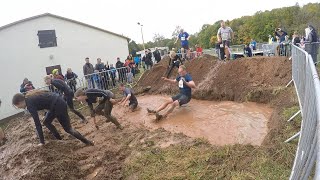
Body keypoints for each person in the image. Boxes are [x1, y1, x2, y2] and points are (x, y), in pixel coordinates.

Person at [12, 90, 94, 146]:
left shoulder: (29, 104)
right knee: (46, 122)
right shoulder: (28, 99)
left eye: (17, 106)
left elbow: (37, 124)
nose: (19, 108)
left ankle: (87, 142)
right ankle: (60, 140)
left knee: (68, 129)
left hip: (58, 105)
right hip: (54, 104)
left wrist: (42, 142)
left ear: (19, 102)